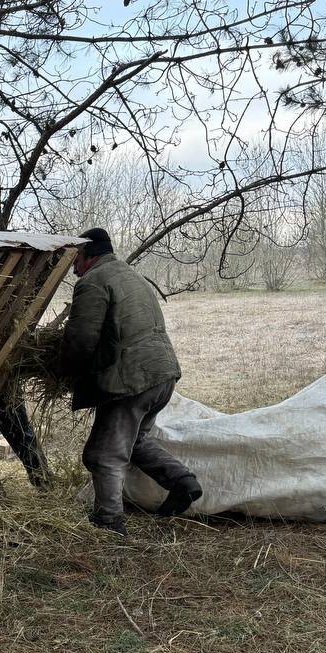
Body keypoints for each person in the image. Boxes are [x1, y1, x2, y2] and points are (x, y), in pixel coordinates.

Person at [60, 227, 202, 535]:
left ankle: (109, 522)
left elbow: (82, 338)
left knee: (103, 454)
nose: (73, 268)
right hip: (163, 374)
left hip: (131, 380)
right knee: (135, 442)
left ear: (89, 256)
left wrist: (63, 371)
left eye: (76, 259)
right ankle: (183, 482)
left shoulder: (93, 281)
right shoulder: (131, 275)